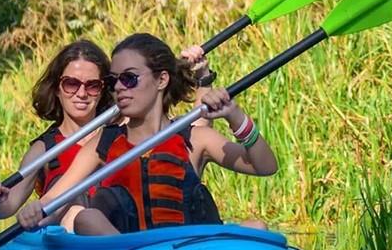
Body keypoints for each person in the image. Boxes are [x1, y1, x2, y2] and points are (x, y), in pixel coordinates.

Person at [20, 33, 276, 235]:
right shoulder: (104, 142)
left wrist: (235, 116)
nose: (119, 88)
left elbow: (265, 167)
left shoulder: (195, 138)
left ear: (162, 80)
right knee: (87, 219)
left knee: (257, 227)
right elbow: (54, 197)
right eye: (114, 81)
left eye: (129, 79)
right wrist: (34, 211)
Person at [0, 39, 114, 221]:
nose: (82, 93)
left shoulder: (118, 135)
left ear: (103, 90)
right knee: (73, 201)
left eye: (93, 86)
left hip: (113, 228)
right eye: (71, 84)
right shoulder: (43, 149)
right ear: (57, 88)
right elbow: (8, 206)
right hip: (64, 230)